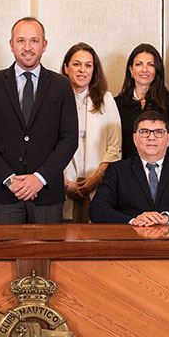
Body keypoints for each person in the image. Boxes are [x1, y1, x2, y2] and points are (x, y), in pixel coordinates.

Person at [0, 17, 78, 224]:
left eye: (34, 41)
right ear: (11, 45)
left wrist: (39, 178)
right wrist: (10, 180)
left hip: (47, 193)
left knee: (46, 253)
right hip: (5, 194)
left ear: (44, 45)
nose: (28, 47)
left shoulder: (61, 86)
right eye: (21, 41)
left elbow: (69, 139)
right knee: (8, 254)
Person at [90, 111, 169, 225]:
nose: (151, 137)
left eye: (159, 132)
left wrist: (167, 218)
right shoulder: (117, 170)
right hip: (130, 238)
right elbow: (97, 209)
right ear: (135, 139)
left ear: (168, 139)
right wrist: (133, 220)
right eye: (144, 132)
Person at [61, 43, 121, 222]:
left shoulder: (106, 100)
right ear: (66, 68)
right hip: (63, 181)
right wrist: (64, 182)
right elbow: (45, 146)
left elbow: (114, 146)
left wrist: (98, 176)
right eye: (76, 64)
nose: (82, 70)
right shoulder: (54, 99)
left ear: (94, 70)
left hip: (98, 181)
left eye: (88, 65)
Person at [115, 43, 169, 161]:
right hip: (126, 173)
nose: (144, 70)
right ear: (131, 70)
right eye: (139, 64)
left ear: (157, 70)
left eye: (150, 65)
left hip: (165, 173)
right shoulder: (116, 104)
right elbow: (115, 146)